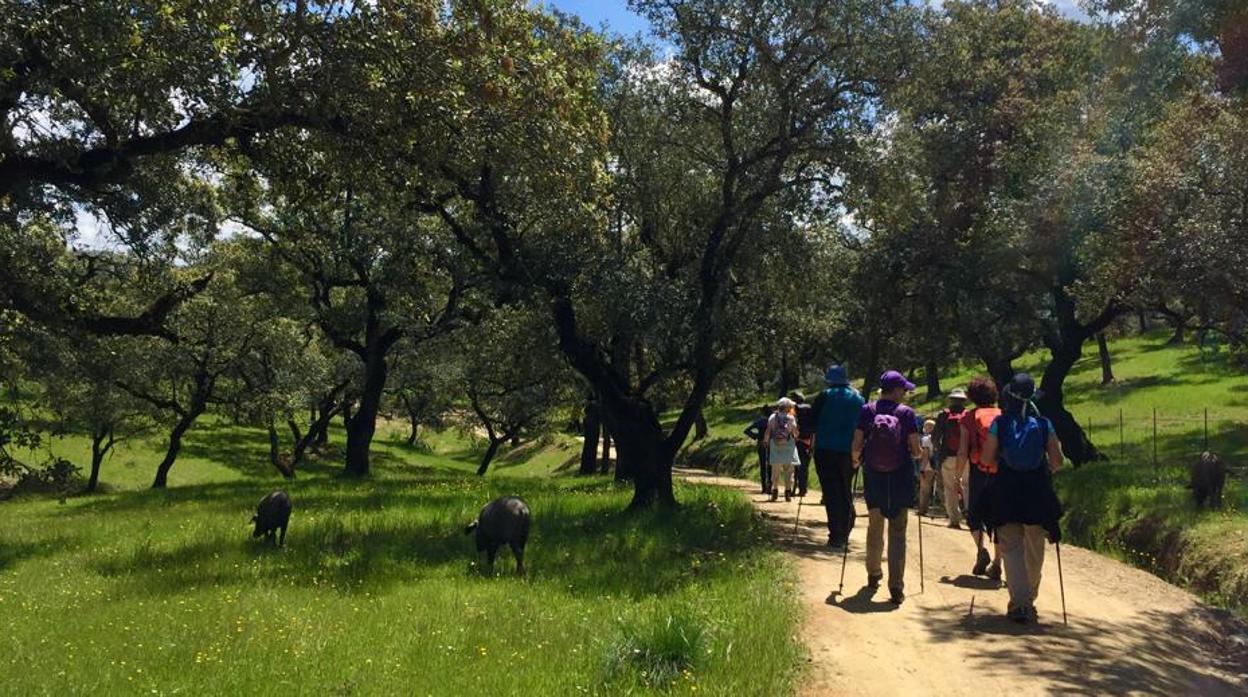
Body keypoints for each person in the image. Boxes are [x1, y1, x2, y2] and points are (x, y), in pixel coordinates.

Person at [976, 373, 1064, 624]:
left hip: (1006, 491)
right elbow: (1057, 462)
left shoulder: (1000, 424)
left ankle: (1019, 603)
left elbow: (986, 459)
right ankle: (1030, 598)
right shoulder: (1044, 424)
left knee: (1011, 549)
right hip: (1037, 492)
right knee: (1035, 548)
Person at [852, 370, 924, 605]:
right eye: (903, 389)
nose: (905, 393)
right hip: (900, 475)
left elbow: (856, 444)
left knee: (875, 523)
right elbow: (914, 448)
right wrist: (920, 456)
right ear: (894, 390)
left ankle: (873, 573)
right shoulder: (906, 414)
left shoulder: (867, 410)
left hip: (873, 474)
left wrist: (856, 460)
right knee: (898, 531)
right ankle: (896, 586)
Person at [810, 365, 865, 549]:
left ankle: (836, 535)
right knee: (844, 489)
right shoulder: (859, 398)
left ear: (829, 379)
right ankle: (846, 526)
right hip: (849, 451)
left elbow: (811, 422)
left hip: (825, 449)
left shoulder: (824, 396)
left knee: (831, 492)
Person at [956, 377, 1003, 581]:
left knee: (974, 514)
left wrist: (957, 475)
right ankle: (998, 563)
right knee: (1000, 517)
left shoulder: (968, 418)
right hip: (1002, 473)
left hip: (978, 471)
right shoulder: (1003, 414)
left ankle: (981, 549)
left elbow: (962, 451)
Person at [933, 388, 970, 529]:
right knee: (967, 486)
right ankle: (971, 517)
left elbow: (935, 437)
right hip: (966, 456)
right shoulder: (968, 414)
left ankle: (954, 519)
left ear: (951, 399)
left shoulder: (944, 415)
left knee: (950, 488)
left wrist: (937, 450)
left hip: (948, 456)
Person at [744, 406, 773, 495]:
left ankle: (764, 487)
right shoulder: (773, 422)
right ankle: (770, 487)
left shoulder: (760, 421)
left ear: (763, 413)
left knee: (763, 465)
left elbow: (746, 430)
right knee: (770, 465)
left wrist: (755, 436)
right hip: (771, 444)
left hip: (761, 443)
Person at [790, 391, 814, 497]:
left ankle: (797, 487)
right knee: (805, 466)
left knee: (797, 465)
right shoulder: (810, 408)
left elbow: (792, 422)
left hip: (798, 440)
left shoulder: (794, 408)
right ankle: (803, 488)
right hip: (810, 440)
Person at [917, 419, 937, 517]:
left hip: (928, 466)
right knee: (941, 489)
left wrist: (922, 469)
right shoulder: (939, 438)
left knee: (924, 489)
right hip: (937, 465)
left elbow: (925, 455)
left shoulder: (925, 439)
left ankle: (922, 509)